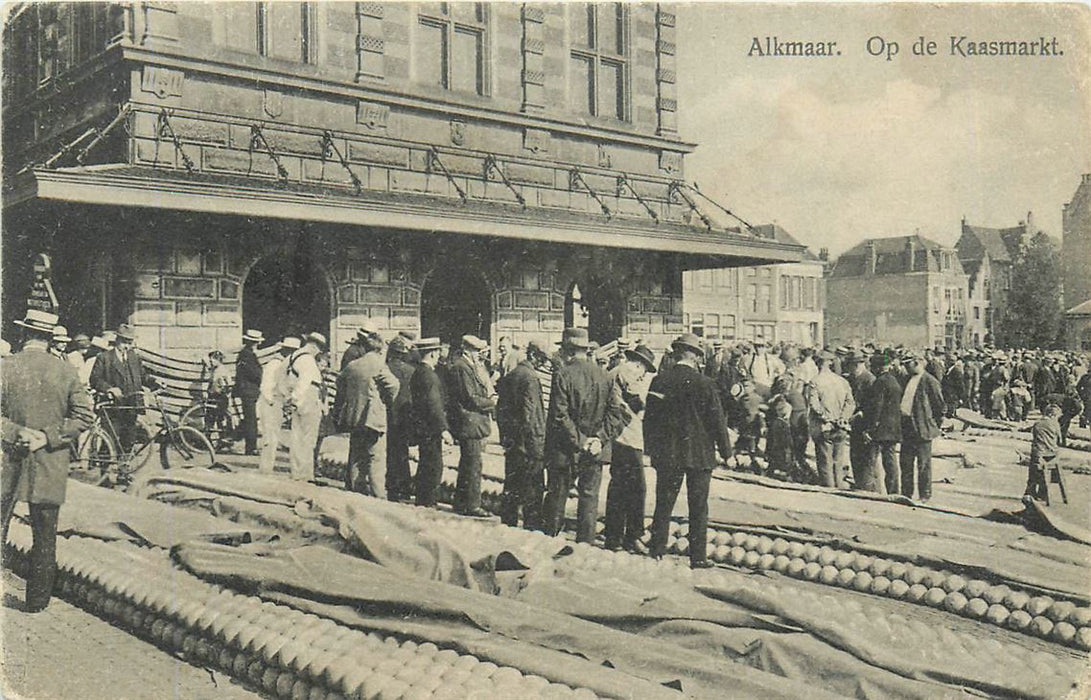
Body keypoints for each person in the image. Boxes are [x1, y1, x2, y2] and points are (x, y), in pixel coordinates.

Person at [2, 309, 94, 612]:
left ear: (24, 334)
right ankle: (37, 602)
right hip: (50, 460)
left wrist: (18, 432)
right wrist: (46, 436)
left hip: (7, 458)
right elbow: (84, 416)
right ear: (50, 338)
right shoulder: (67, 371)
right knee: (44, 535)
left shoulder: (5, 368)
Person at [644, 333, 732, 568]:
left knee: (664, 502)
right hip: (699, 453)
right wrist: (726, 452)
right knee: (698, 506)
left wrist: (650, 448)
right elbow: (717, 420)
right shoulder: (705, 383)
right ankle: (698, 557)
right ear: (695, 356)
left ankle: (657, 550)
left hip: (668, 452)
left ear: (677, 353)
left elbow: (650, 419)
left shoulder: (660, 380)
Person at [543, 328, 628, 541]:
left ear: (567, 350)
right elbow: (615, 414)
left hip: (566, 448)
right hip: (595, 450)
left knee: (558, 495)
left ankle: (550, 540)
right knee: (589, 498)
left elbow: (559, 415)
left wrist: (580, 441)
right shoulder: (605, 376)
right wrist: (599, 439)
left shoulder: (562, 374)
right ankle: (585, 544)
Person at [334, 323, 399, 497]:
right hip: (373, 418)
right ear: (379, 349)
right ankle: (379, 495)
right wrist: (385, 400)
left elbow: (340, 383)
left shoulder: (353, 365)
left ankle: (357, 491)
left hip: (354, 416)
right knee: (375, 458)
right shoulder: (378, 364)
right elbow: (393, 385)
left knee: (356, 456)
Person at [603, 343, 655, 551]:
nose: (643, 374)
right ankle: (631, 536)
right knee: (635, 489)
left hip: (622, 437)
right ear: (638, 363)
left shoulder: (617, 370)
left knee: (619, 488)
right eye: (644, 368)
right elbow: (635, 402)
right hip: (627, 437)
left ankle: (615, 537)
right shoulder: (627, 370)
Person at [496, 339, 548, 530]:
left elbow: (500, 409)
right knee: (533, 488)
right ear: (533, 356)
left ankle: (508, 522)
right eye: (541, 360)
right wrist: (533, 440)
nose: (542, 364)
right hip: (529, 443)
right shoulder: (530, 377)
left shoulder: (512, 375)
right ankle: (532, 526)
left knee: (512, 484)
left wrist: (507, 437)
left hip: (513, 443)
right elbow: (529, 414)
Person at [445, 335, 496, 516]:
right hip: (469, 422)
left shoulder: (468, 366)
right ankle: (473, 505)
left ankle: (461, 502)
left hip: (472, 422)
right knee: (473, 464)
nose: (480, 355)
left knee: (468, 463)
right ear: (468, 350)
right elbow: (470, 398)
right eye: (477, 351)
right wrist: (493, 403)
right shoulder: (462, 367)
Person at [89, 323, 159, 452]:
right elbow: (95, 379)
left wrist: (155, 382)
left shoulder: (134, 358)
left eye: (130, 342)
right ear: (117, 341)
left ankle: (123, 469)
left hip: (131, 405)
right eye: (124, 342)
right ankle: (100, 469)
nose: (127, 346)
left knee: (129, 440)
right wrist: (109, 389)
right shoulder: (105, 358)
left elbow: (142, 377)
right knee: (110, 440)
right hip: (113, 407)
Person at [410, 338, 454, 508]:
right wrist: (444, 429)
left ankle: (423, 501)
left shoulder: (418, 372)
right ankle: (428, 503)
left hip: (422, 427)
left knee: (425, 464)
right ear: (434, 353)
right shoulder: (430, 375)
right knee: (433, 466)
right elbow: (434, 404)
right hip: (431, 429)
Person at [898, 352, 946, 502]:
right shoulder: (906, 379)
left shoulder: (929, 381)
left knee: (923, 464)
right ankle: (906, 493)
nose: (906, 367)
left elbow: (940, 406)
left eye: (908, 364)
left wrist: (932, 425)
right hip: (907, 427)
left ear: (917, 363)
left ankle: (925, 495)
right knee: (905, 462)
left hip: (923, 428)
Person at [807, 350, 855, 488]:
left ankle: (829, 490)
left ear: (817, 363)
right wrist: (843, 418)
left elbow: (814, 405)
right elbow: (851, 402)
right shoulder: (842, 381)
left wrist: (826, 417)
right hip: (841, 426)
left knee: (825, 462)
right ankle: (839, 487)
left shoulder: (815, 381)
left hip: (824, 426)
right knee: (838, 461)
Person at [283, 332, 327, 482]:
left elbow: (285, 379)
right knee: (308, 439)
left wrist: (289, 398)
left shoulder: (294, 356)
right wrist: (295, 399)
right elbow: (304, 382)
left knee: (298, 437)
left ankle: (298, 473)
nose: (318, 352)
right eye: (319, 349)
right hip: (308, 398)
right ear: (314, 346)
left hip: (300, 398)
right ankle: (305, 474)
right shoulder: (307, 359)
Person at [383, 335, 417, 502]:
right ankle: (404, 487)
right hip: (405, 416)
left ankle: (392, 487)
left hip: (387, 415)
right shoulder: (411, 371)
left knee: (389, 452)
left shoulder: (384, 368)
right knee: (402, 452)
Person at [864, 351, 902, 495]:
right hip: (893, 427)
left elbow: (877, 407)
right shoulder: (894, 380)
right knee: (890, 460)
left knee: (871, 458)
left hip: (881, 428)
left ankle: (871, 489)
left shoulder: (879, 382)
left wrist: (870, 428)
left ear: (878, 368)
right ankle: (893, 491)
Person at [258, 337, 298, 474]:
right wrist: (271, 401)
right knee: (269, 438)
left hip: (277, 403)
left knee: (273, 436)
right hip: (270, 402)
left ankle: (268, 467)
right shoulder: (275, 364)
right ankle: (265, 469)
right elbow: (266, 386)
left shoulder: (285, 365)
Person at [844, 349, 877, 491]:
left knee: (867, 457)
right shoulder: (851, 378)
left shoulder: (869, 380)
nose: (849, 369)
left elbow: (873, 406)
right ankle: (859, 483)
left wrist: (859, 415)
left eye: (850, 366)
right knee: (855, 454)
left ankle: (867, 487)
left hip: (865, 424)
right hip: (854, 424)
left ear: (857, 365)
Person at [1025, 403, 1066, 505]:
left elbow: (1034, 436)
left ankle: (1031, 491)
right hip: (1052, 454)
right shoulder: (1055, 424)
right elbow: (1060, 440)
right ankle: (1042, 493)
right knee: (1049, 471)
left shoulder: (1037, 423)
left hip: (1038, 453)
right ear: (1053, 415)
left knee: (1033, 471)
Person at [234, 329, 264, 456]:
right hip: (249, 390)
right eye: (256, 342)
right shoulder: (248, 355)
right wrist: (262, 376)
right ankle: (251, 448)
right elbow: (254, 373)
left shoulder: (245, 354)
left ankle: (250, 446)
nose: (257, 344)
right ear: (253, 343)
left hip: (247, 390)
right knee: (251, 420)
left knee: (249, 419)